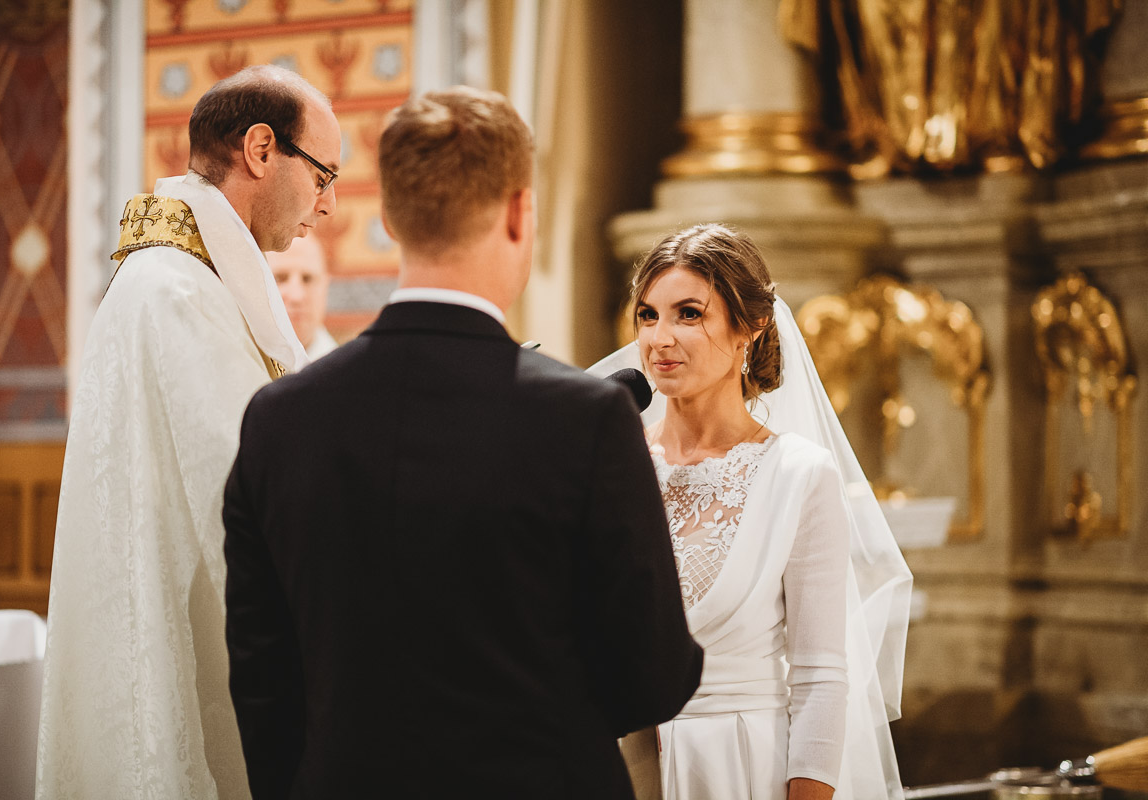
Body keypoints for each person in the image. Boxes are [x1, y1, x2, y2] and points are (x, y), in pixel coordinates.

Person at [222, 85, 704, 800]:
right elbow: (654, 676)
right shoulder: (585, 419)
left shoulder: (279, 418)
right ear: (519, 213)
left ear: (389, 218)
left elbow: (260, 679)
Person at [36, 65, 340, 800]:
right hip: (180, 632)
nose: (328, 205)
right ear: (261, 149)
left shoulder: (185, 279)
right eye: (324, 174)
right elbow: (244, 493)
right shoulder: (177, 290)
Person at [590, 224, 912, 800]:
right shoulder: (607, 463)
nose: (660, 337)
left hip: (740, 767)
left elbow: (820, 678)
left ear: (751, 327)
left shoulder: (798, 475)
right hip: (619, 766)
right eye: (647, 315)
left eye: (689, 314)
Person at [267, 234, 338, 359]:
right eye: (280, 278)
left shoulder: (350, 374)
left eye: (307, 279)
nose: (296, 296)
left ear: (325, 286)